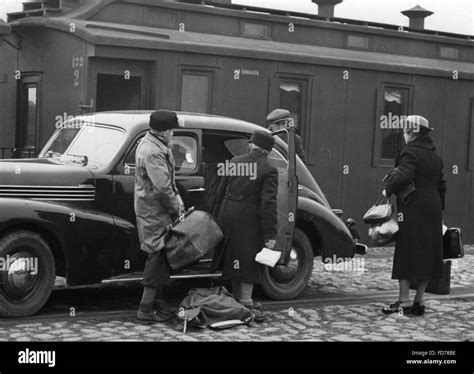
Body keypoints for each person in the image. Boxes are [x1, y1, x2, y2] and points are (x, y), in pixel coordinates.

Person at [382, 115, 446, 316]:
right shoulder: (435, 156)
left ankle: (403, 301)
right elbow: (442, 185)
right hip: (433, 208)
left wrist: (387, 190)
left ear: (412, 132)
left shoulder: (410, 151)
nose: (403, 134)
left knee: (406, 250)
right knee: (427, 252)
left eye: (404, 131)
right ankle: (419, 301)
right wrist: (438, 208)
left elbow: (404, 175)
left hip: (413, 208)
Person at [212, 129, 279, 321]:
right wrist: (271, 234)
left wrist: (217, 218)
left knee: (234, 255)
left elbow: (220, 192)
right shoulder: (269, 169)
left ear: (252, 145)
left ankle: (236, 299)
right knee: (249, 258)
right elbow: (268, 205)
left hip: (228, 213)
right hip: (249, 218)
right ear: (268, 151)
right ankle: (246, 302)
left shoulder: (234, 162)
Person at [135, 110, 185, 323]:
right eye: (172, 129)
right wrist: (176, 207)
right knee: (156, 255)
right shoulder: (154, 152)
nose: (173, 133)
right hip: (155, 211)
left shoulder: (150, 143)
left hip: (152, 208)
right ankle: (145, 310)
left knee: (160, 254)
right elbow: (163, 187)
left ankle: (157, 304)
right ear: (165, 132)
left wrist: (177, 199)